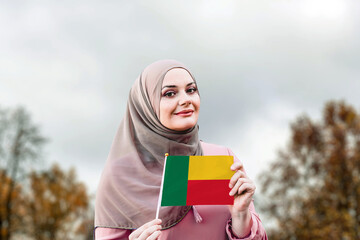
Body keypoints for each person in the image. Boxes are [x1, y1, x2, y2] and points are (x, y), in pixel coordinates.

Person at [94, 60, 267, 240]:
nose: (185, 100)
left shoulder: (222, 157)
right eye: (170, 93)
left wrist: (241, 216)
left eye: (191, 90)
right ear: (146, 105)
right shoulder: (120, 175)